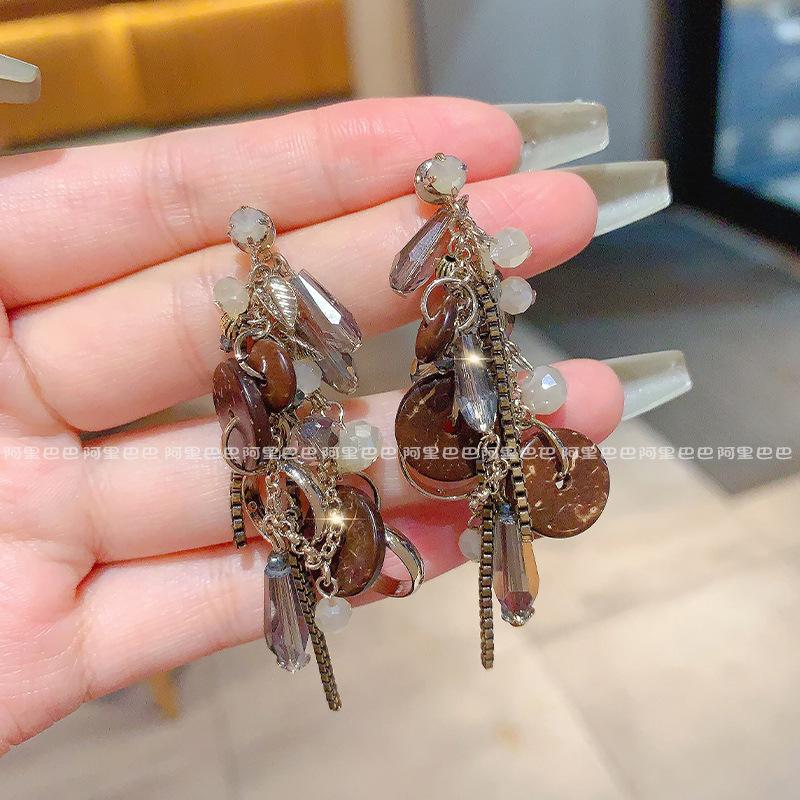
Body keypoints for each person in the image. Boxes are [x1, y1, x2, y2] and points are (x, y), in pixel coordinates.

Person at [0, 96, 623, 753]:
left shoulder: (419, 293)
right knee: (326, 493)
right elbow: (343, 340)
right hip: (307, 431)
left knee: (455, 455)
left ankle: (480, 586)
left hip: (413, 393)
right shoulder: (268, 335)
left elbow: (356, 333)